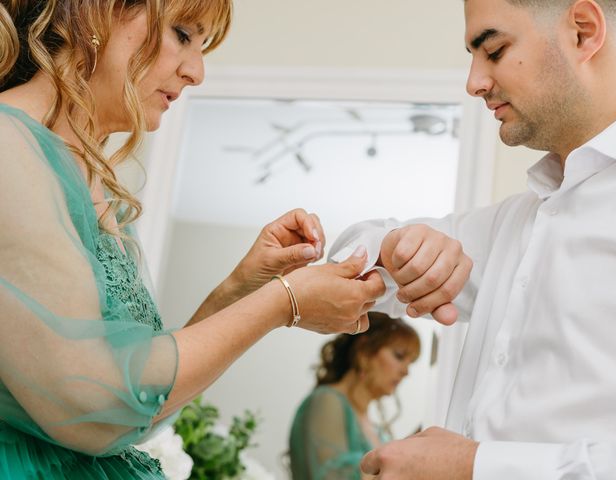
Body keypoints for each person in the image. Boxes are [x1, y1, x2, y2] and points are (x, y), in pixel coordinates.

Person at [0, 1, 385, 478]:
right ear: (98, 12)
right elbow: (95, 407)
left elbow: (142, 407)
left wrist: (241, 288)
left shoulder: (99, 183)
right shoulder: (6, 146)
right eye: (183, 34)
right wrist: (282, 304)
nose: (197, 71)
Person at [328, 0, 616, 478]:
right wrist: (399, 247)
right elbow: (350, 257)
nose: (474, 82)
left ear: (582, 31)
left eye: (493, 50)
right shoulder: (520, 221)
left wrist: (472, 465)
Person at [288, 312, 421, 480]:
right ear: (364, 351)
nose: (406, 371)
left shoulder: (376, 429)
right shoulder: (327, 400)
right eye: (399, 356)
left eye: (411, 362)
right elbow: (333, 476)